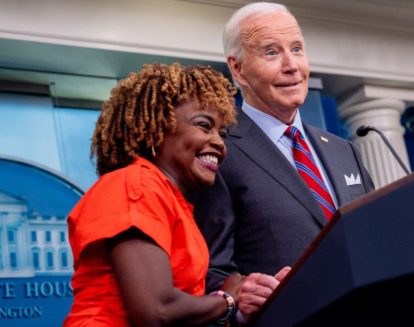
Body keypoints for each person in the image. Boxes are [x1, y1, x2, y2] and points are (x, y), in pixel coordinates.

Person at [194, 2, 375, 322]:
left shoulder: (342, 149)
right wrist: (237, 298)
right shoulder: (219, 150)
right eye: (271, 52)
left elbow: (377, 237)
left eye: (297, 48)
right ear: (237, 69)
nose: (292, 65)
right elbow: (207, 269)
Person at [64, 63, 246, 326]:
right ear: (157, 128)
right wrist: (227, 300)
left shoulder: (169, 197)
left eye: (222, 133)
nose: (219, 143)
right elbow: (156, 311)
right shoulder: (134, 184)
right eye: (204, 126)